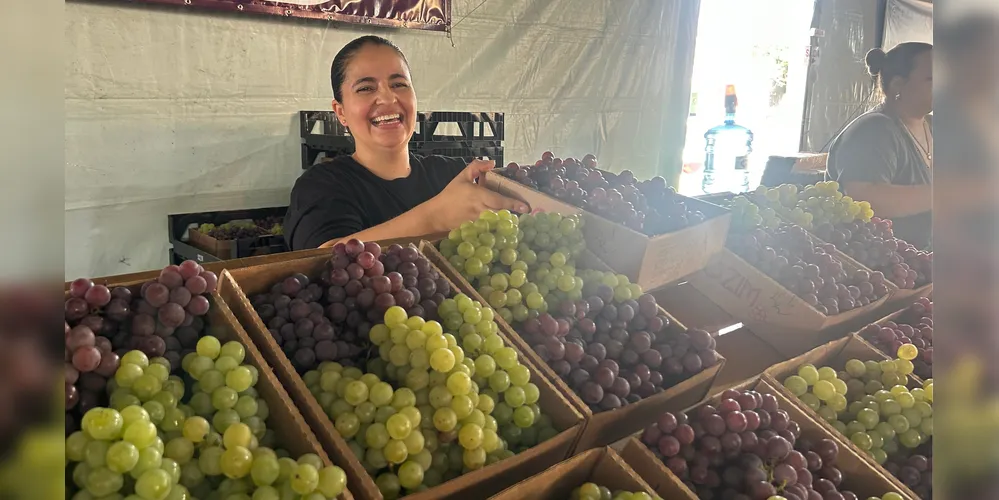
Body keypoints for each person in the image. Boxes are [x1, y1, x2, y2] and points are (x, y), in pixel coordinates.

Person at [284, 36, 526, 251]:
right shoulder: (321, 186)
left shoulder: (453, 174)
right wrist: (435, 218)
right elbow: (321, 261)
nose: (388, 97)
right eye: (366, 88)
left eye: (399, 84)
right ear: (341, 112)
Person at [825, 42, 932, 248]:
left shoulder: (933, 125)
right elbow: (865, 198)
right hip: (882, 267)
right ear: (898, 85)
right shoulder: (874, 130)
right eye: (932, 79)